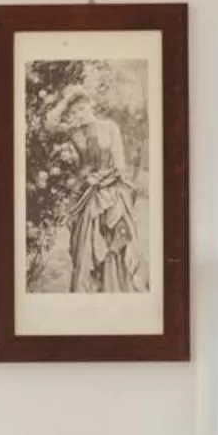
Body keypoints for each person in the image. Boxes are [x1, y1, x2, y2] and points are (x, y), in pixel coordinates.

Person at [52, 88, 146, 293]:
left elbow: (120, 163)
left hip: (112, 191)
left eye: (83, 108)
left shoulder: (109, 127)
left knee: (115, 242)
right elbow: (50, 125)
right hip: (87, 195)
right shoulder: (74, 133)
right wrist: (66, 100)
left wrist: (106, 179)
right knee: (84, 251)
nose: (80, 113)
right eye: (75, 111)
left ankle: (113, 290)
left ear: (91, 106)